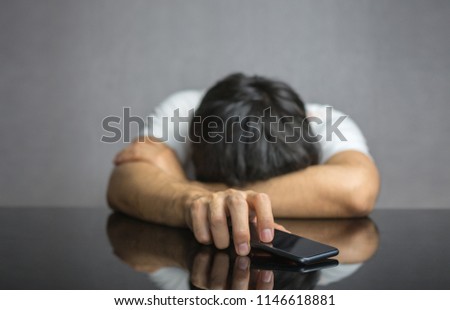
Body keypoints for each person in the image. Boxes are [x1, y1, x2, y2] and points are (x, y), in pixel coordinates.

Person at [107, 73, 380, 257]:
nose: (233, 196)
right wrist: (199, 200)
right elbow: (124, 181)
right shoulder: (186, 110)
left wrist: (195, 189)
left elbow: (358, 190)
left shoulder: (321, 120)